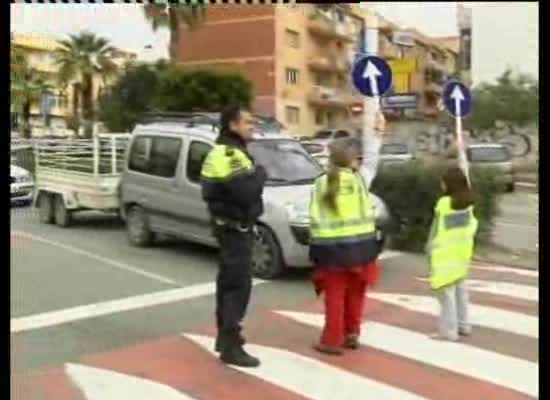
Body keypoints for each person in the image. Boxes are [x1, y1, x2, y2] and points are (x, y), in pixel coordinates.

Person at [309, 111, 386, 355]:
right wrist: (377, 132)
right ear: (352, 160)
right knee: (355, 294)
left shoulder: (321, 183)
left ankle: (332, 340)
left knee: (335, 297)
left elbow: (314, 217)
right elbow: (373, 160)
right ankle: (352, 333)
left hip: (332, 252)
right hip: (362, 249)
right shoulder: (360, 180)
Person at [200, 105, 267, 367]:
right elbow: (246, 192)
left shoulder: (227, 151)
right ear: (232, 126)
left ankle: (225, 338)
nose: (253, 126)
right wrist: (260, 173)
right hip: (234, 230)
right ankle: (231, 345)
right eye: (247, 122)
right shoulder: (229, 154)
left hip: (229, 227)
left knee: (229, 286)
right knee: (236, 289)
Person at [426, 166, 478, 341]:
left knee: (445, 293)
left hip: (444, 254)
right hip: (462, 252)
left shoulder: (444, 203)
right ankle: (464, 325)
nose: (441, 184)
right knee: (461, 290)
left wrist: (429, 246)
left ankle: (449, 331)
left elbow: (436, 227)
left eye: (443, 182)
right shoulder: (469, 202)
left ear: (449, 184)